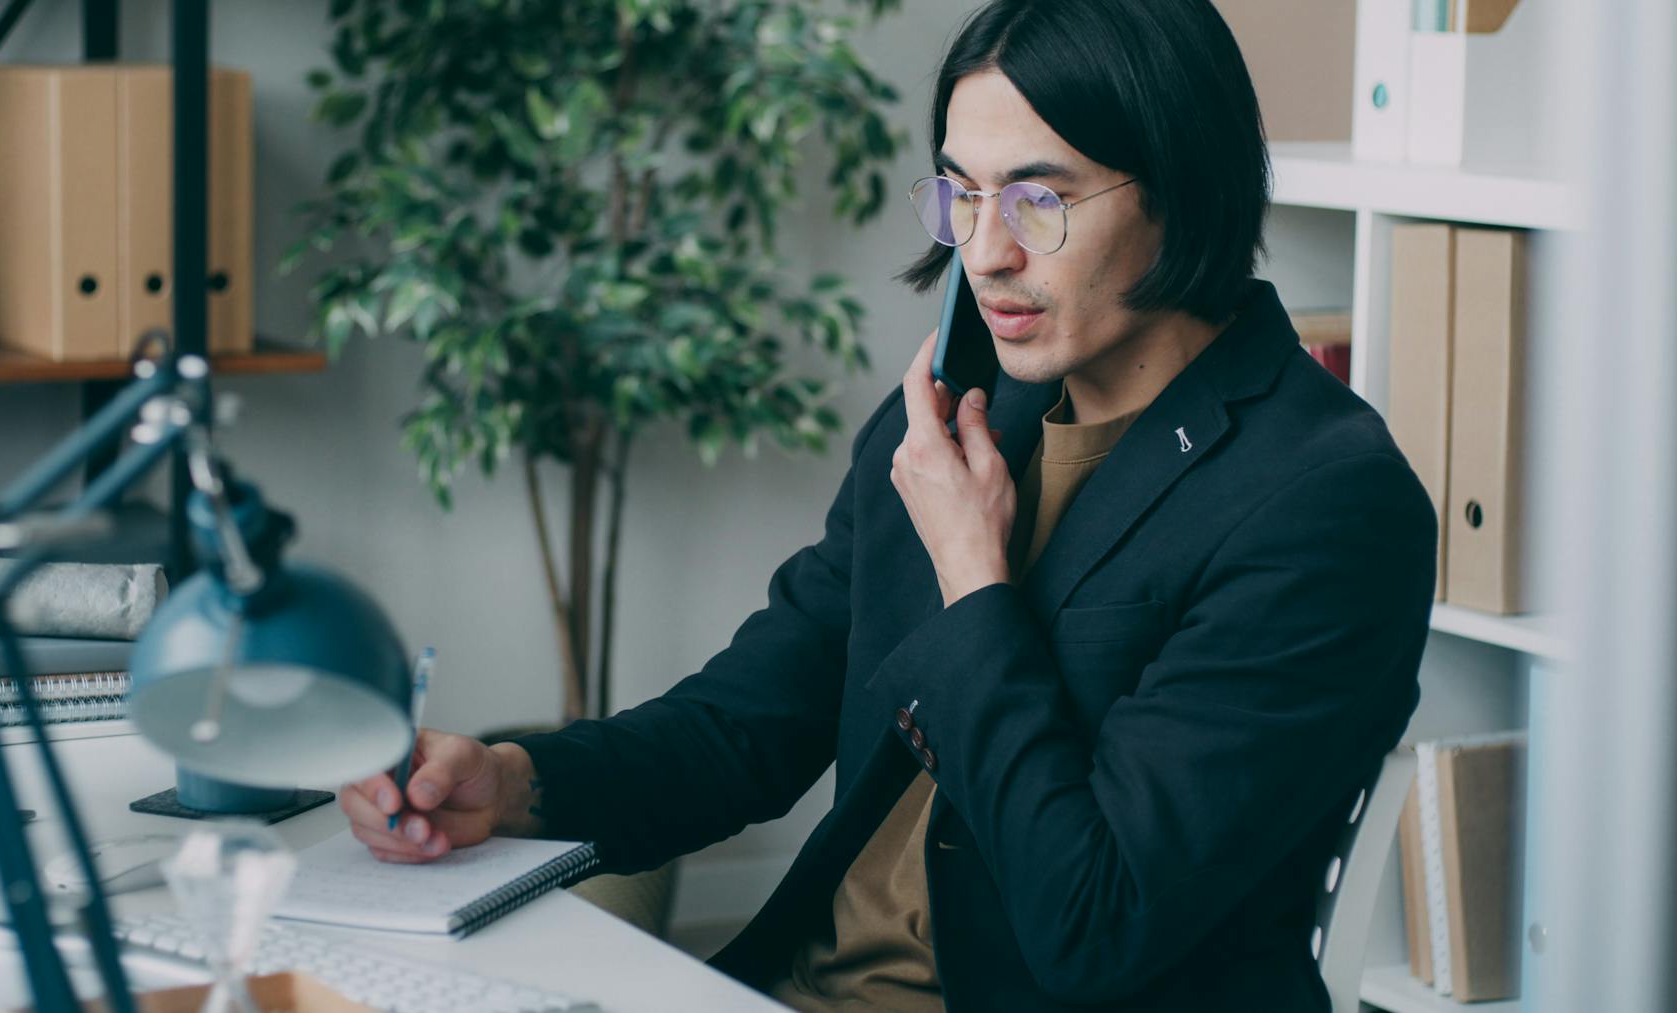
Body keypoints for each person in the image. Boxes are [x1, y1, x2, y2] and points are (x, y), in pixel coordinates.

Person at [340, 1, 1435, 1008]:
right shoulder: (964, 419)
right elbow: (745, 726)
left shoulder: (1325, 505)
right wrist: (512, 780)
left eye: (1040, 199)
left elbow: (1092, 921)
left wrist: (974, 578)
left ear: (1180, 186)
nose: (987, 251)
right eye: (962, 192)